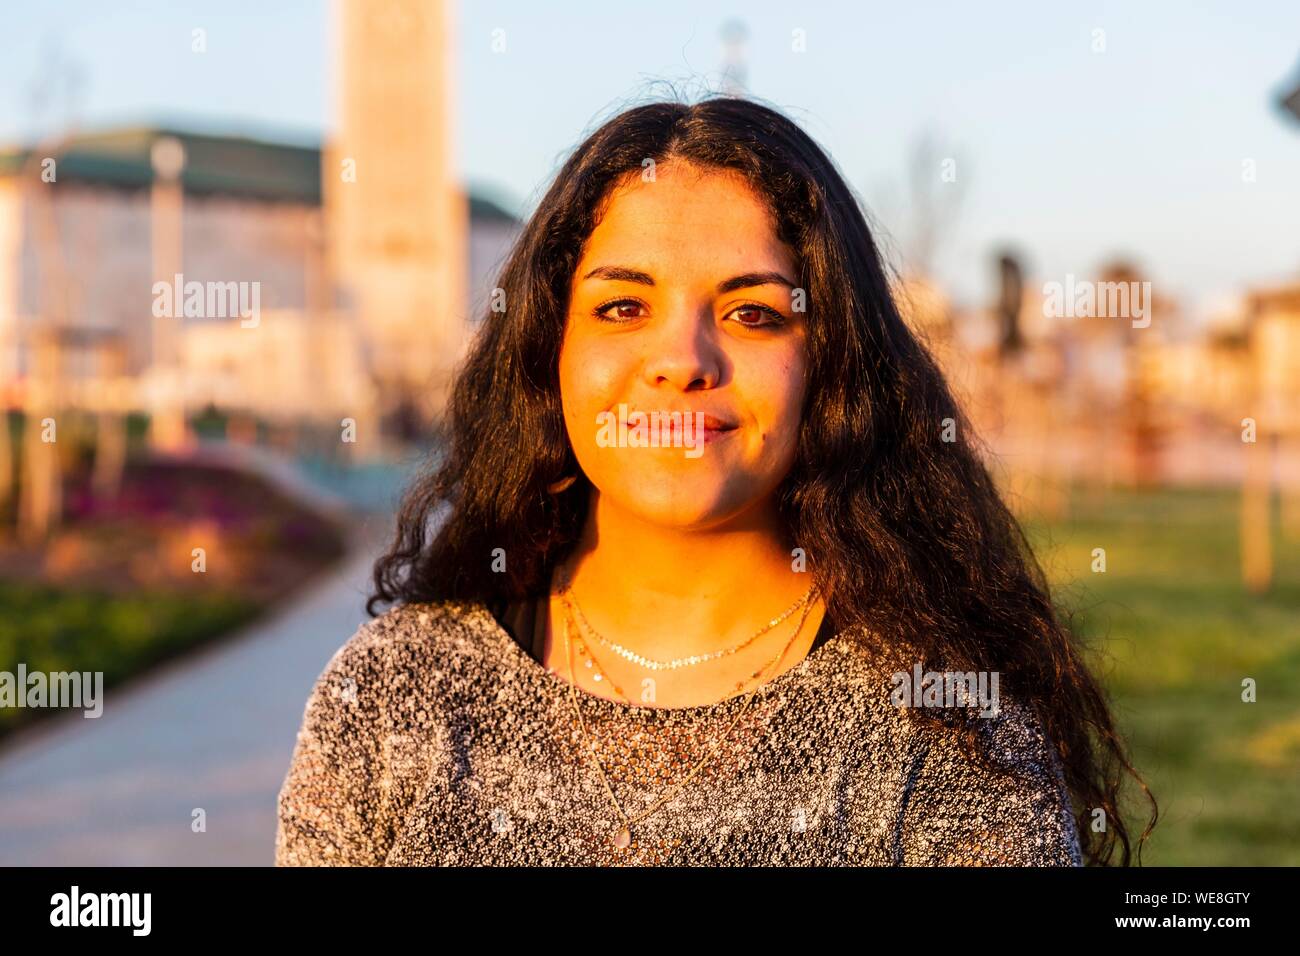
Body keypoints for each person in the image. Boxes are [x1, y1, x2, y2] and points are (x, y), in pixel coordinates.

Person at [275, 95, 1156, 866]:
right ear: (550, 352)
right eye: (623, 306)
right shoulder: (394, 703)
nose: (682, 361)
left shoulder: (948, 732)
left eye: (752, 313)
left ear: (831, 367)